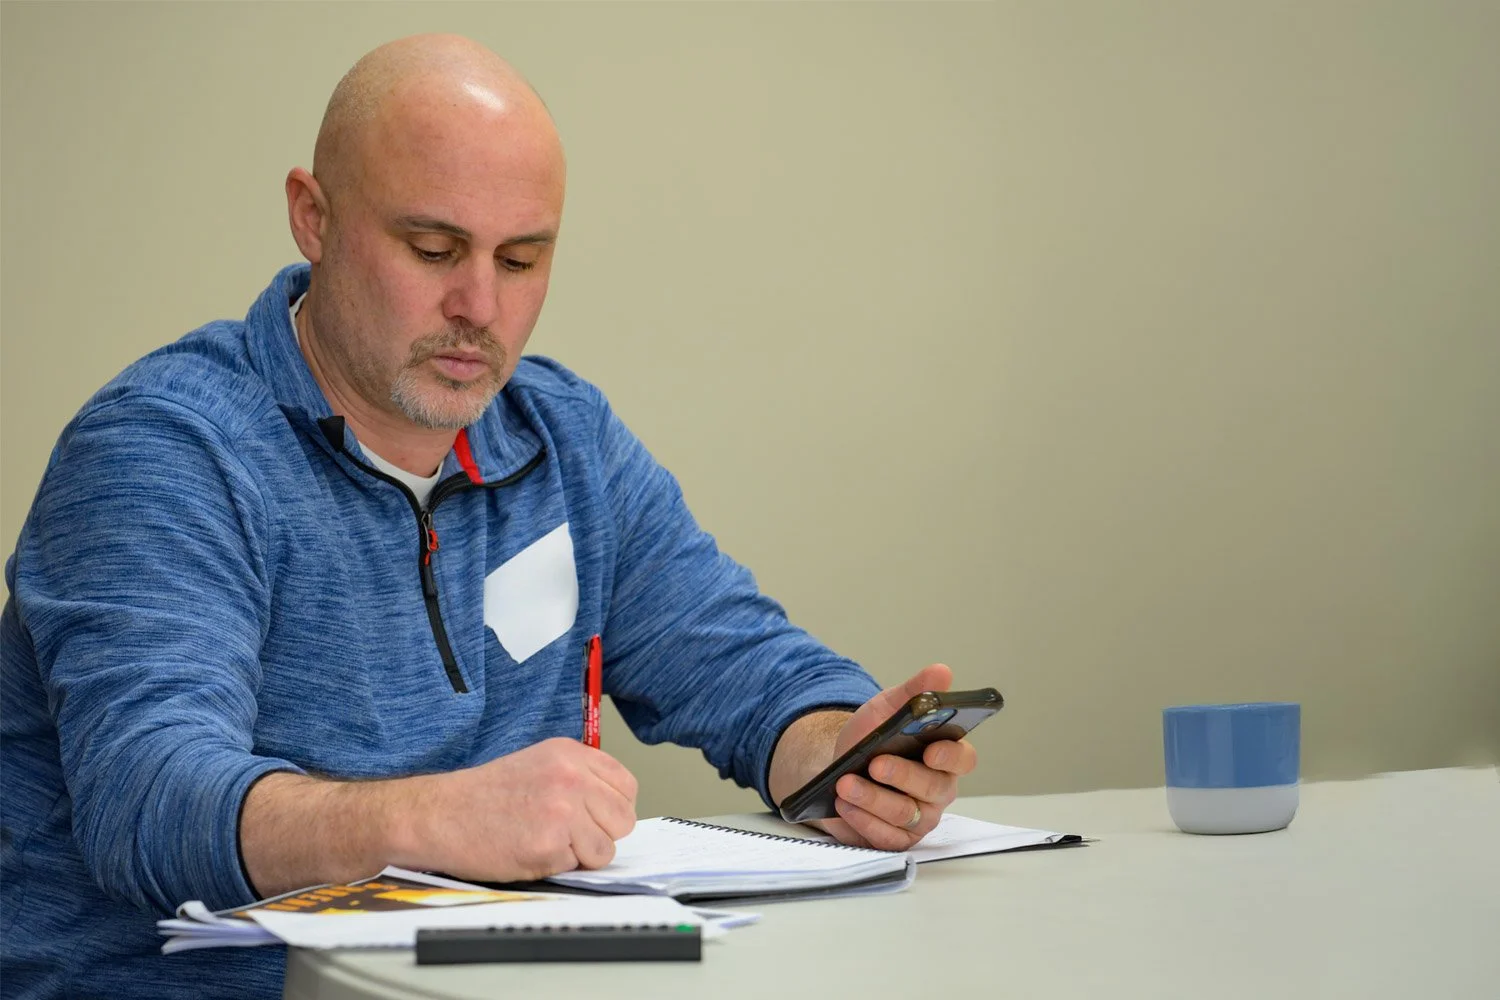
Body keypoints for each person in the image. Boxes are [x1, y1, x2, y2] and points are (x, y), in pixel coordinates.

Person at [0, 34, 979, 1000]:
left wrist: (830, 749)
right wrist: (437, 818)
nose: (478, 305)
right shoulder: (165, 450)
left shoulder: (565, 438)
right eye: (433, 249)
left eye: (521, 260)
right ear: (313, 217)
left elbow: (733, 658)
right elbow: (151, 799)